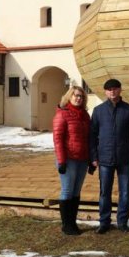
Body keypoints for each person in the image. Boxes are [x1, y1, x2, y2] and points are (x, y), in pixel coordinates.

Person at [90, 78, 129, 234]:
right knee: (105, 192)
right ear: (105, 92)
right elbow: (93, 135)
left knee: (125, 191)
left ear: (120, 90)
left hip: (125, 158)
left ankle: (122, 222)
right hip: (105, 158)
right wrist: (94, 156)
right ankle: (104, 222)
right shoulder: (98, 111)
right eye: (109, 89)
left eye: (115, 88)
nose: (112, 91)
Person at [52, 85, 92, 236]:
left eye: (81, 96)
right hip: (68, 159)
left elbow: (88, 139)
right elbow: (58, 139)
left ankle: (72, 222)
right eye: (75, 95)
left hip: (82, 159)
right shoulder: (62, 114)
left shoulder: (85, 115)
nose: (78, 98)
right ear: (69, 97)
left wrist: (90, 160)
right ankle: (66, 225)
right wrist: (61, 161)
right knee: (67, 191)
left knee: (76, 192)